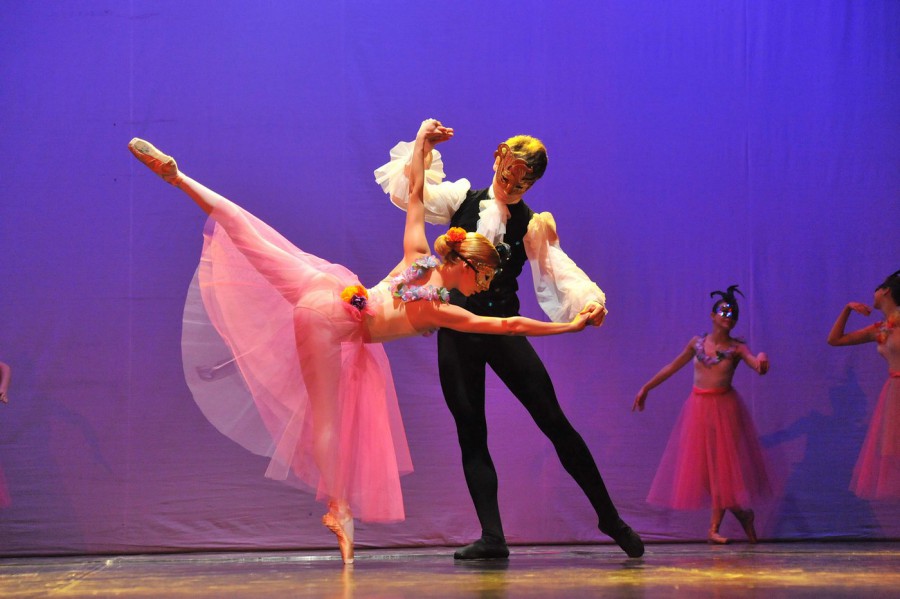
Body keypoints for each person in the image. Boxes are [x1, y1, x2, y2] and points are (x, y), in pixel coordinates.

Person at [127, 119, 590, 564]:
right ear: (465, 268)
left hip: (326, 291)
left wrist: (421, 142)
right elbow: (508, 326)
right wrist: (566, 329)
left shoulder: (418, 256)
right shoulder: (439, 308)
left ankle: (180, 178)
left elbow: (414, 193)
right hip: (333, 326)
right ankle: (339, 509)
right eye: (483, 277)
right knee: (328, 420)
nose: (483, 286)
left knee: (252, 236)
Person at [374, 126, 644, 559]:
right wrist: (421, 146)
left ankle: (609, 517)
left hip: (501, 326)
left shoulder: (531, 224)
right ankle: (492, 537)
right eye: (508, 174)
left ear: (532, 184)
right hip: (459, 329)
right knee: (471, 431)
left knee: (554, 420)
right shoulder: (461, 200)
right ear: (497, 161)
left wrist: (589, 301)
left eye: (522, 182)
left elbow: (558, 267)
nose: (511, 185)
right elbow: (415, 196)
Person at [633, 286, 771, 544]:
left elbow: (756, 365)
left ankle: (713, 529)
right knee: (707, 476)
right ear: (712, 315)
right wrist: (646, 388)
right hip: (698, 410)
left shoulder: (737, 348)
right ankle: (743, 515)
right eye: (724, 312)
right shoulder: (696, 343)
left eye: (733, 314)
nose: (728, 317)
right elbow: (672, 366)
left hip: (725, 410)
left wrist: (761, 359)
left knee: (720, 471)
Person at [827, 270, 900, 500]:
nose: (873, 293)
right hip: (894, 393)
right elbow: (835, 339)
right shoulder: (881, 329)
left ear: (886, 291)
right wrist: (847, 309)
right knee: (894, 455)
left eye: (878, 289)